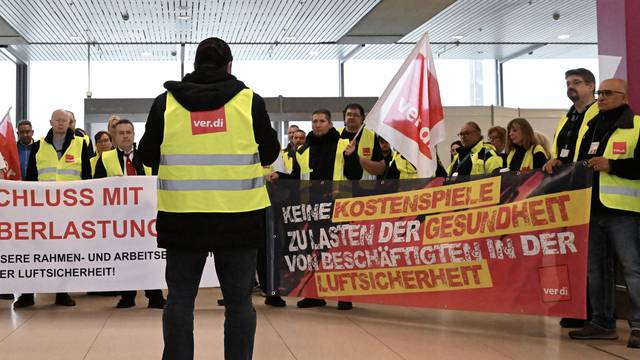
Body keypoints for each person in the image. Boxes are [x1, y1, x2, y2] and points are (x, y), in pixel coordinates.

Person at [138, 37, 279, 360]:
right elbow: (270, 151)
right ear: (230, 65)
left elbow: (147, 154)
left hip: (182, 217)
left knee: (179, 300)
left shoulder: (166, 103)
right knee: (239, 303)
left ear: (195, 65)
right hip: (239, 217)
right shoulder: (248, 101)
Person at [564, 79, 640, 349]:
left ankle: (639, 326)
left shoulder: (637, 126)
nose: (602, 98)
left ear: (624, 97)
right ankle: (601, 322)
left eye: (607, 93)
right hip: (591, 208)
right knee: (597, 270)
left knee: (633, 269)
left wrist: (613, 166)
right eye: (600, 93)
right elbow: (582, 160)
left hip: (624, 211)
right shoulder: (592, 126)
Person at [14, 109, 92, 309]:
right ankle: (27, 294)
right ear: (50, 121)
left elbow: (88, 177)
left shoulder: (81, 144)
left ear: (69, 123)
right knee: (33, 250)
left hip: (70, 208)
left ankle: (61, 292)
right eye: (57, 120)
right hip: (41, 208)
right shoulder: (39, 144)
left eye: (64, 120)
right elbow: (31, 176)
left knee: (63, 251)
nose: (60, 123)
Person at [543, 68, 598, 329]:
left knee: (593, 259)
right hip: (569, 192)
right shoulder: (567, 118)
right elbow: (563, 151)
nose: (571, 87)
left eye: (576, 82)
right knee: (572, 254)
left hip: (593, 192)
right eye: (568, 83)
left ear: (591, 86)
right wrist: (555, 160)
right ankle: (575, 305)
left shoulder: (599, 114)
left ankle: (593, 310)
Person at [93, 119, 166, 309]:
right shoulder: (106, 158)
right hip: (121, 217)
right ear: (114, 137)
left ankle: (155, 296)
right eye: (121, 133)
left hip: (147, 215)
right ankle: (128, 296)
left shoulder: (147, 156)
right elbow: (97, 186)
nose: (125, 135)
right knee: (126, 256)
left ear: (134, 134)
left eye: (129, 132)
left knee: (150, 257)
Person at [338, 103, 385, 180]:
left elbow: (381, 169)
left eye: (356, 115)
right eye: (349, 114)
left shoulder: (371, 136)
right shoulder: (336, 135)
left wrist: (355, 158)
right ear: (344, 117)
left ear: (362, 118)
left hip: (365, 189)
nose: (351, 117)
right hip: (340, 188)